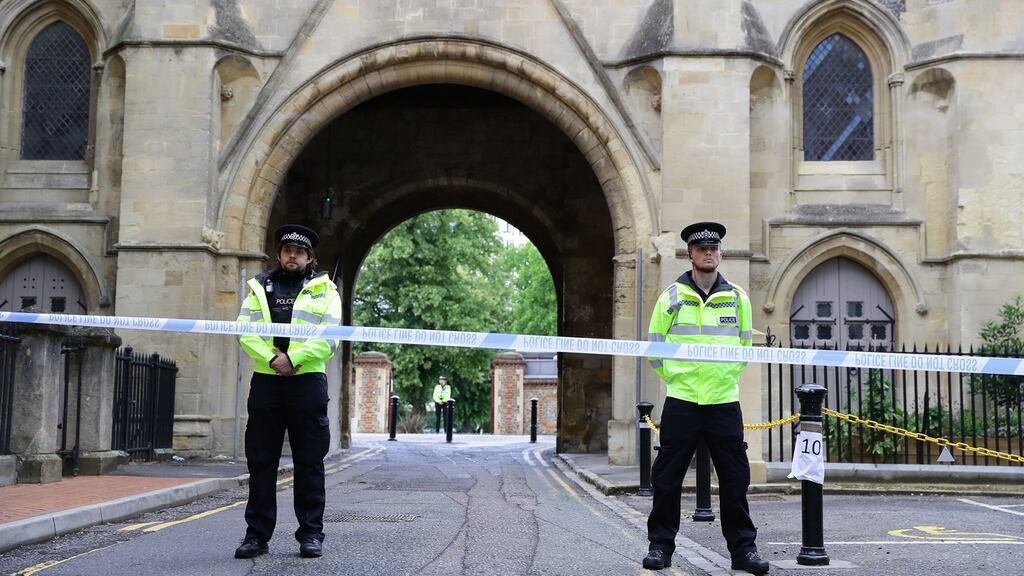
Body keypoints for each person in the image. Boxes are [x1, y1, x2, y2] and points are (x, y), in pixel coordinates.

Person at [642, 222, 769, 575]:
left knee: (735, 480)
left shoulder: (737, 298)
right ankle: (660, 546)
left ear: (721, 253)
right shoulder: (671, 297)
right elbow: (655, 346)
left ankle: (743, 550)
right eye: (701, 249)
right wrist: (676, 378)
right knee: (667, 479)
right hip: (682, 399)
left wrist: (725, 377)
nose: (708, 252)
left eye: (713, 248)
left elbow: (745, 347)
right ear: (690, 255)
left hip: (723, 401)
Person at [234, 224, 341, 560]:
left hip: (307, 382)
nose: (292, 255)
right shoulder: (257, 289)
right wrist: (272, 359)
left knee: (310, 462)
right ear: (279, 254)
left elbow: (328, 338)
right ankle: (256, 536)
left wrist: (293, 358)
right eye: (286, 250)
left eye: (299, 251)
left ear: (310, 257)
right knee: (261, 461)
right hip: (267, 382)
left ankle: (311, 535)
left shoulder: (327, 292)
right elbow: (244, 330)